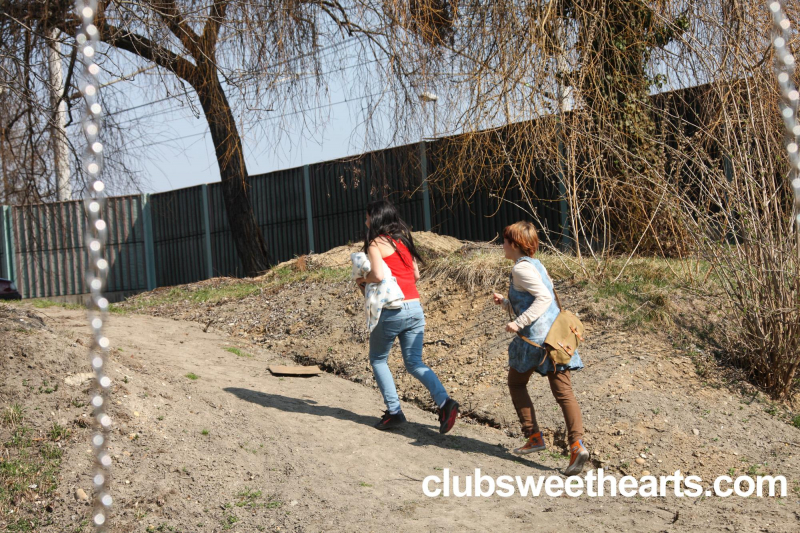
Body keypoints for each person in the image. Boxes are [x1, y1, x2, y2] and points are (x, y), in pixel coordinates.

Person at [491, 221, 589, 475]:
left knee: (516, 383)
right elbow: (535, 298)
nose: (502, 245)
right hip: (556, 339)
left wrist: (518, 322)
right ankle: (577, 446)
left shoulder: (521, 270)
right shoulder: (536, 265)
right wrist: (506, 303)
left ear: (514, 244)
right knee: (564, 393)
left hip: (535, 342)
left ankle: (534, 436)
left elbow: (543, 299)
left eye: (504, 240)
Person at [355, 199, 459, 433]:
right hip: (414, 307)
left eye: (368, 217)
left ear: (377, 218)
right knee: (414, 362)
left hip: (393, 309)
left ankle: (394, 412)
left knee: (378, 359)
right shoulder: (403, 241)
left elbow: (379, 275)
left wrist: (362, 279)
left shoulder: (375, 243)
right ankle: (445, 403)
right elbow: (416, 275)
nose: (366, 221)